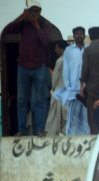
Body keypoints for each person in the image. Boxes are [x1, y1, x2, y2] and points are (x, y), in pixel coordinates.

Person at [2, 1, 51, 136]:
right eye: (31, 10)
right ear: (27, 11)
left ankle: (40, 129)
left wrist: (36, 26)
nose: (34, 13)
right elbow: (6, 31)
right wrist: (20, 19)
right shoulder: (23, 24)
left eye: (36, 10)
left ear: (40, 12)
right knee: (21, 100)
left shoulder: (44, 25)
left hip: (39, 66)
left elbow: (46, 41)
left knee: (39, 100)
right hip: (23, 67)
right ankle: (22, 130)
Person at [54, 26, 89, 135]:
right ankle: (73, 139)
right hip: (73, 89)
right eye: (77, 34)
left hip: (87, 89)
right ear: (73, 36)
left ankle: (85, 139)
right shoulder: (68, 50)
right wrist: (69, 87)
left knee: (86, 116)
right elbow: (66, 70)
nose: (79, 35)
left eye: (81, 33)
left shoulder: (88, 49)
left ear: (84, 35)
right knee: (74, 117)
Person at [46, 40, 69, 136]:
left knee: (54, 120)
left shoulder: (60, 61)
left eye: (56, 48)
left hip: (60, 93)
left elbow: (54, 79)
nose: (55, 50)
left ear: (61, 49)